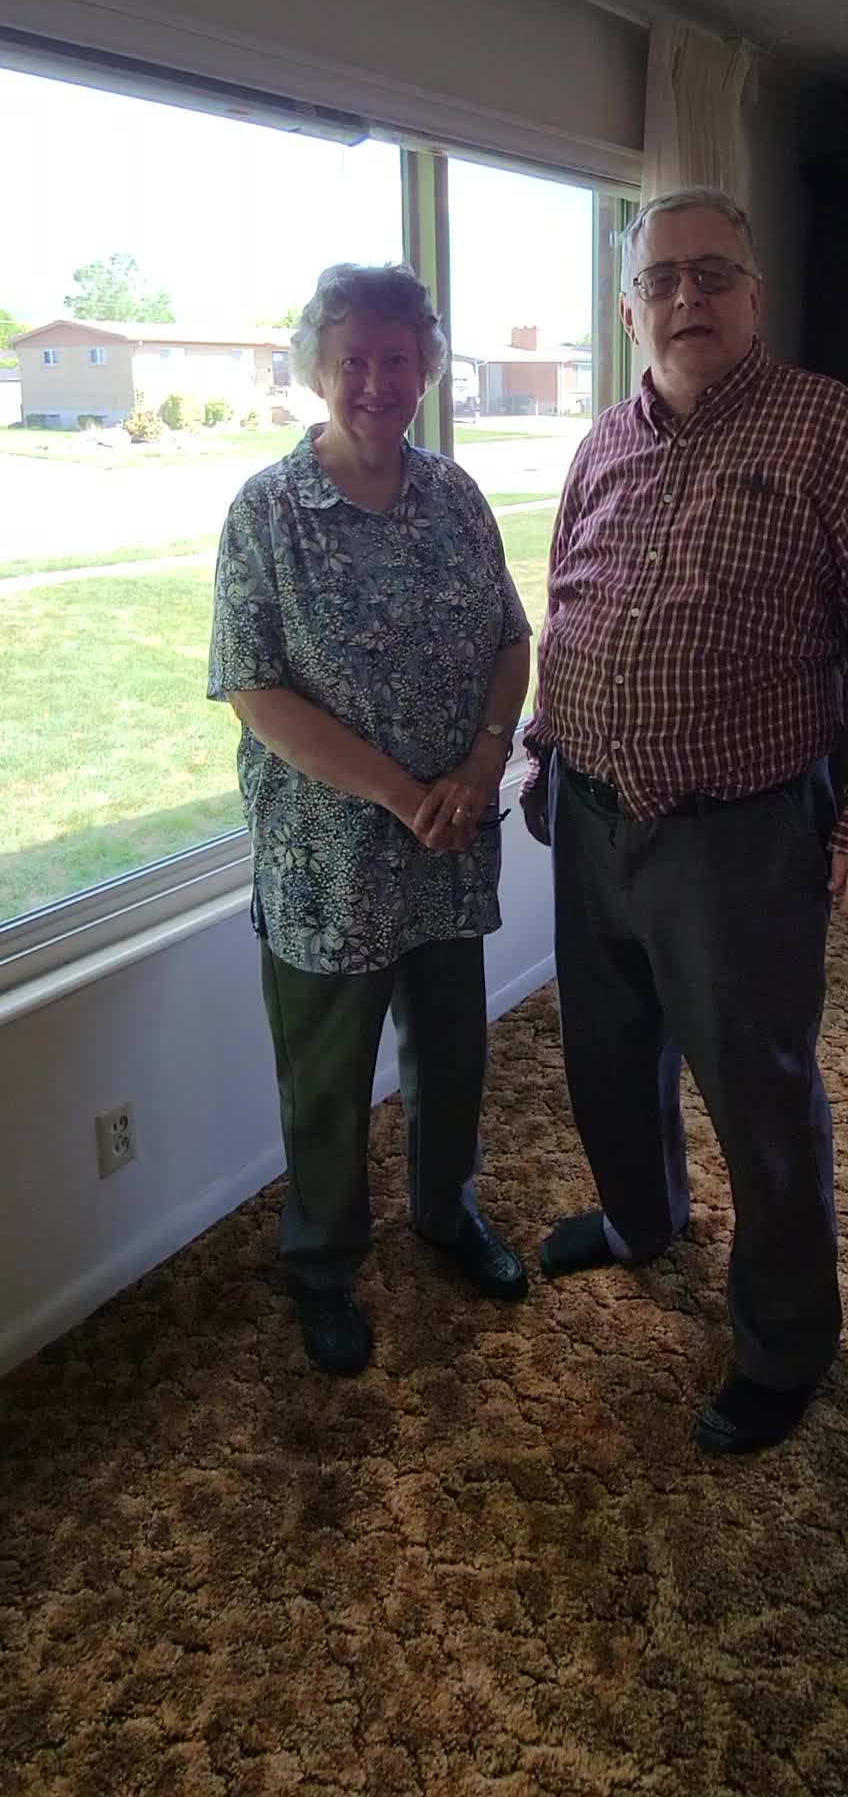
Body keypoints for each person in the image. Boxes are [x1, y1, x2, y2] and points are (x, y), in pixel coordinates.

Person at [521, 186, 848, 1454]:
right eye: (661, 279)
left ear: (754, 297)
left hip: (740, 835)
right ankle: (642, 1218)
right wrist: (546, 751)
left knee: (759, 1095)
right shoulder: (603, 443)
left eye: (712, 274)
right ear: (629, 309)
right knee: (606, 1055)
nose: (686, 297)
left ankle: (784, 1342)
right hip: (592, 813)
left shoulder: (831, 432)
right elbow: (568, 599)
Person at [209, 262, 531, 1375]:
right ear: (317, 368)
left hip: (452, 842)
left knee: (453, 1054)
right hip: (329, 860)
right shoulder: (267, 511)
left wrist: (485, 759)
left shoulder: (456, 497)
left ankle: (445, 1214)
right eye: (354, 360)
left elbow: (510, 640)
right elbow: (258, 694)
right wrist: (403, 793)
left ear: (427, 369)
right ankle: (323, 1266)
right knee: (328, 1080)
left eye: (399, 359)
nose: (377, 382)